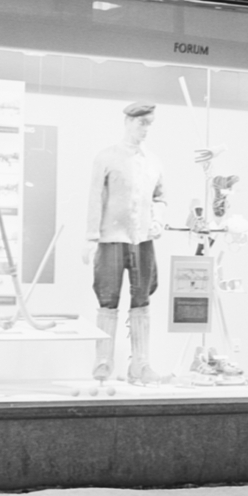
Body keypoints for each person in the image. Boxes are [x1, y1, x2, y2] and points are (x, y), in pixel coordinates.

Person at [84, 101, 168, 384]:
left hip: (142, 239)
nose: (145, 129)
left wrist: (158, 220)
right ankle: (103, 361)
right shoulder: (106, 157)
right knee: (107, 299)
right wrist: (90, 237)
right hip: (111, 238)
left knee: (142, 298)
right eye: (141, 123)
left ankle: (141, 364)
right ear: (128, 121)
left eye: (149, 124)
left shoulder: (154, 161)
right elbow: (95, 197)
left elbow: (160, 196)